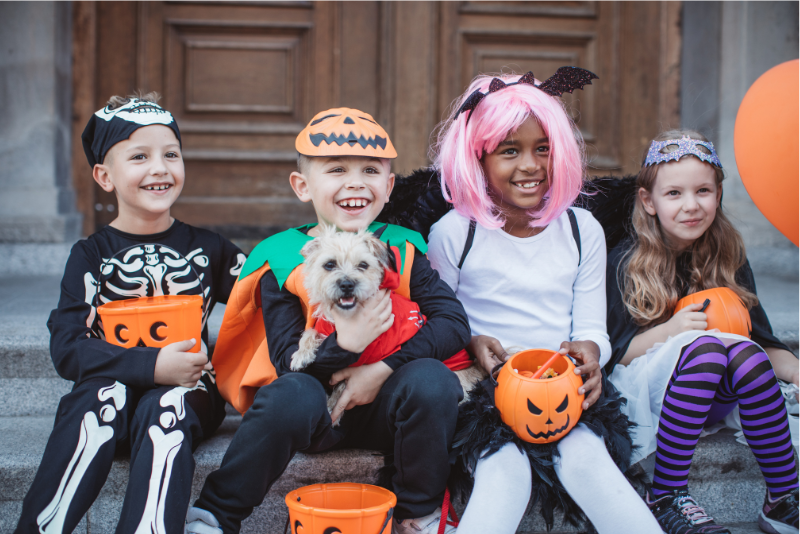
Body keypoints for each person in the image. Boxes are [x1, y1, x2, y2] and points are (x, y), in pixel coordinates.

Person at [186, 108, 470, 534]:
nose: (355, 182)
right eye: (336, 169)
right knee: (290, 392)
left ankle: (418, 514)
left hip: (390, 411)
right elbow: (287, 362)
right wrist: (348, 343)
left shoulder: (403, 250)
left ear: (389, 186)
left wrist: (381, 369)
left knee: (431, 381)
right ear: (303, 185)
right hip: (316, 413)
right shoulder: (282, 259)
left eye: (370, 170)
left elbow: (452, 323)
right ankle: (215, 514)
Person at [426, 70, 662, 534]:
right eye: (509, 151)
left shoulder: (580, 229)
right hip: (482, 391)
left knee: (587, 459)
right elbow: (438, 322)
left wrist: (592, 352)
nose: (531, 165)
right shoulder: (455, 233)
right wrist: (471, 341)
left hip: (562, 386)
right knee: (504, 469)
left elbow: (592, 324)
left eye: (543, 148)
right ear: (478, 158)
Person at [15, 93, 246, 534]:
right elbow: (67, 347)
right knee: (99, 398)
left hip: (187, 389)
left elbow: (263, 293)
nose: (160, 167)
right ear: (105, 176)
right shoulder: (90, 255)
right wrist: (151, 364)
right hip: (111, 389)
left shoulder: (210, 247)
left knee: (169, 406)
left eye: (171, 154)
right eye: (140, 156)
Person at [605, 130, 799, 534]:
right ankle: (666, 494)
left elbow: (763, 342)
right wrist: (673, 330)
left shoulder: (728, 256)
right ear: (648, 201)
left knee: (745, 354)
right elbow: (614, 354)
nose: (691, 206)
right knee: (709, 348)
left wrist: (796, 371)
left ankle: (782, 494)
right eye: (674, 194)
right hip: (647, 395)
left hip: (712, 395)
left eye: (703, 191)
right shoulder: (625, 261)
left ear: (718, 193)